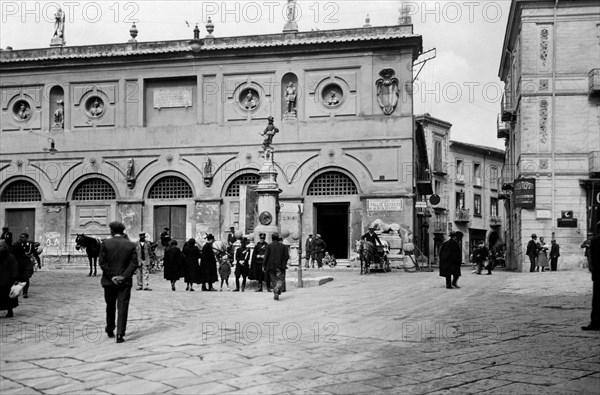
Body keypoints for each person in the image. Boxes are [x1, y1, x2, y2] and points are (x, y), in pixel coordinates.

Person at [99, 221, 138, 343]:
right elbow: (134, 264)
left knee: (110, 306)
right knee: (123, 307)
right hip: (124, 282)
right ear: (123, 231)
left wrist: (112, 276)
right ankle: (120, 334)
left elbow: (102, 262)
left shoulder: (105, 243)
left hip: (109, 281)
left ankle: (110, 328)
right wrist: (124, 277)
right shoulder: (130, 245)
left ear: (111, 231)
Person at [582, 227, 600, 331]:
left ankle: (596, 322)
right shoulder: (593, 242)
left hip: (598, 275)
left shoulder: (595, 242)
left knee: (597, 299)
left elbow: (594, 260)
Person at [263, 232, 289, 301]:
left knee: (273, 280)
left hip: (271, 266)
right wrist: (284, 263)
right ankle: (277, 289)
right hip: (280, 266)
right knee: (280, 279)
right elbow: (287, 256)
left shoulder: (268, 246)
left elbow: (266, 256)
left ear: (272, 238)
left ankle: (276, 291)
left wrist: (264, 265)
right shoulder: (283, 246)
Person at [11, 233, 38, 298]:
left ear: (26, 238)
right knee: (17, 279)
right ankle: (15, 291)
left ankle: (25, 293)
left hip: (26, 263)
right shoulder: (16, 244)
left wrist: (39, 263)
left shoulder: (30, 245)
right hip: (18, 263)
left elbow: (35, 254)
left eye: (23, 237)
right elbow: (12, 253)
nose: (21, 238)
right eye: (20, 237)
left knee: (26, 278)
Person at [0, 239, 19, 318]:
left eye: (0, 246)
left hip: (7, 280)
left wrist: (15, 277)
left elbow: (14, 267)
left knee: (9, 296)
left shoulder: (10, 256)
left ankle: (10, 311)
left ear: (4, 247)